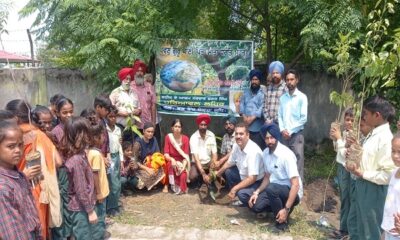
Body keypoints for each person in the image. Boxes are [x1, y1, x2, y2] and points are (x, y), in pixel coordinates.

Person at [6, 99, 63, 239]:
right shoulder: (40, 134)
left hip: (22, 189)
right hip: (42, 188)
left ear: (15, 118)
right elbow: (58, 161)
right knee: (41, 228)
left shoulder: (14, 137)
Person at [346, 95, 396, 240]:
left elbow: (387, 175)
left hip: (373, 189)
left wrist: (362, 173)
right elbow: (369, 159)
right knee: (355, 224)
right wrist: (355, 151)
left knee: (369, 231)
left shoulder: (386, 139)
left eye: (366, 114)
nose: (364, 117)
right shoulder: (373, 134)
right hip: (362, 184)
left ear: (377, 115)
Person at [249, 123, 303, 232]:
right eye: (267, 138)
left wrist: (286, 209)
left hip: (292, 192)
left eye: (272, 137)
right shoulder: (265, 153)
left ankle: (281, 223)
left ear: (277, 137)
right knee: (256, 206)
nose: (269, 141)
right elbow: (267, 177)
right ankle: (278, 209)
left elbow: (295, 185)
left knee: (271, 188)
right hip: (275, 190)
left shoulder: (286, 155)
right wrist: (257, 192)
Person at [0, 119, 42, 239]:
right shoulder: (3, 187)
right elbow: (12, 232)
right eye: (11, 146)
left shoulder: (18, 175)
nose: (18, 150)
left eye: (20, 145)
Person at [60, 117, 97, 239]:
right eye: (87, 132)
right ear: (81, 135)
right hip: (80, 209)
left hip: (83, 207)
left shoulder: (80, 155)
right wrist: (90, 211)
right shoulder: (76, 160)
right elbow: (81, 189)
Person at [216, 122, 265, 206]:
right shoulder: (236, 146)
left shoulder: (253, 151)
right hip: (243, 175)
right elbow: (229, 163)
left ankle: (242, 198)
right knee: (228, 172)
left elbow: (252, 178)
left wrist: (235, 188)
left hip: (256, 181)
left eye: (241, 134)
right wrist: (218, 173)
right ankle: (235, 196)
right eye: (237, 134)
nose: (238, 136)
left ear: (248, 135)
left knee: (242, 193)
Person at [49, 97, 74, 239]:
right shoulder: (56, 131)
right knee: (66, 200)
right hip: (63, 170)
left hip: (75, 168)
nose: (69, 115)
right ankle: (67, 233)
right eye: (65, 112)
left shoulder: (74, 126)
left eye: (71, 111)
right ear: (57, 113)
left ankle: (74, 229)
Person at [278, 69, 308, 181]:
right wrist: (282, 130)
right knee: (285, 160)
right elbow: (279, 116)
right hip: (284, 135)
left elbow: (303, 118)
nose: (289, 82)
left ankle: (298, 191)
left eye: (292, 79)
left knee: (298, 161)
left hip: (296, 135)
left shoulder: (302, 97)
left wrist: (289, 131)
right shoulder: (282, 98)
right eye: (287, 80)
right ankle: (287, 187)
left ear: (297, 80)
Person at [329, 108, 354, 239]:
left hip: (346, 168)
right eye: (347, 119)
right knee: (344, 197)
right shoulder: (343, 132)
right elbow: (337, 150)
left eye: (352, 120)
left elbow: (346, 154)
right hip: (340, 166)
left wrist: (338, 139)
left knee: (347, 199)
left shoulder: (354, 135)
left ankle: (345, 229)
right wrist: (335, 138)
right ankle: (344, 228)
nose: (349, 122)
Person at [87, 123, 109, 239]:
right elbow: (95, 174)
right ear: (95, 138)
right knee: (100, 217)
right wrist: (99, 192)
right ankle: (99, 236)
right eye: (102, 136)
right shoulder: (95, 154)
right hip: (100, 193)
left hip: (97, 192)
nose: (104, 138)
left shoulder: (90, 152)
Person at [132, 122, 167, 191]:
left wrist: (153, 166)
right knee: (146, 178)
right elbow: (135, 160)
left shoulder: (154, 139)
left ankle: (155, 184)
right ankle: (144, 186)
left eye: (152, 132)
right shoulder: (138, 143)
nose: (150, 133)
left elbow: (157, 154)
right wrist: (147, 169)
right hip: (140, 166)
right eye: (148, 131)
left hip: (151, 164)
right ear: (143, 131)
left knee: (163, 168)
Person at [189, 114, 218, 187]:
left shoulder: (211, 135)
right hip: (197, 163)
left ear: (207, 125)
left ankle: (209, 178)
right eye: (201, 125)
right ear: (198, 125)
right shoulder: (193, 137)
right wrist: (203, 173)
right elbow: (196, 158)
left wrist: (212, 167)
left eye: (205, 125)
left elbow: (214, 154)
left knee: (217, 170)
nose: (203, 127)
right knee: (192, 177)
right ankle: (201, 177)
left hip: (208, 162)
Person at [240, 69, 265, 150]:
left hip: (258, 128)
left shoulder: (263, 93)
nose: (254, 81)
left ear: (259, 81)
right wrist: (244, 116)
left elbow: (262, 107)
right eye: (253, 79)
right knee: (246, 149)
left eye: (256, 79)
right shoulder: (246, 92)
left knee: (257, 150)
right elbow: (242, 104)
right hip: (246, 127)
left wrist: (252, 118)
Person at [381, 133, 400, 240]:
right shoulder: (394, 173)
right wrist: (384, 232)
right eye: (393, 151)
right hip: (389, 230)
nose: (395, 156)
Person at [164, 119, 190, 194]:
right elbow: (166, 153)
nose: (177, 128)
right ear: (172, 128)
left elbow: (186, 156)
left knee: (183, 173)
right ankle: (170, 185)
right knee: (171, 166)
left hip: (182, 161)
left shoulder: (185, 139)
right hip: (171, 160)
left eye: (179, 127)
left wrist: (183, 166)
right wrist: (172, 160)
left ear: (181, 128)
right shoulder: (168, 137)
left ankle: (181, 187)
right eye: (175, 126)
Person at [105, 105, 122, 217]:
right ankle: (110, 207)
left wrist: (122, 159)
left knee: (117, 182)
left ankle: (115, 204)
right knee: (112, 183)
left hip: (117, 156)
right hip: (109, 157)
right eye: (110, 116)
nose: (113, 119)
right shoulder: (104, 129)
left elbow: (119, 145)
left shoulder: (118, 129)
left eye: (114, 117)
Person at [130, 60, 157, 130]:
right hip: (133, 125)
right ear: (135, 72)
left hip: (147, 125)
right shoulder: (130, 86)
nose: (139, 73)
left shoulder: (149, 86)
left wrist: (153, 123)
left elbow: (153, 105)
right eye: (138, 71)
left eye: (141, 71)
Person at [263, 61, 287, 125]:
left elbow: (286, 107)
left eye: (277, 73)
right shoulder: (268, 88)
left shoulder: (286, 88)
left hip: (282, 124)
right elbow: (264, 106)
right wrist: (267, 119)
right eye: (273, 73)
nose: (275, 75)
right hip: (268, 123)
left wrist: (273, 120)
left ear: (281, 74)